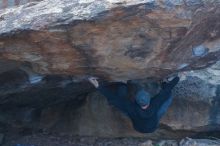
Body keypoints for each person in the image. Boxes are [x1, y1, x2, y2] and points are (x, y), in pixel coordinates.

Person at [88, 75, 180, 133]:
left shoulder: (131, 107)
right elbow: (167, 91)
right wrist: (177, 77)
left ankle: (122, 86)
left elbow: (113, 98)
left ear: (136, 100)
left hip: (138, 126)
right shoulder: (155, 103)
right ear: (150, 99)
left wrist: (98, 86)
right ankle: (164, 82)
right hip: (152, 125)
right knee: (167, 98)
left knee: (120, 101)